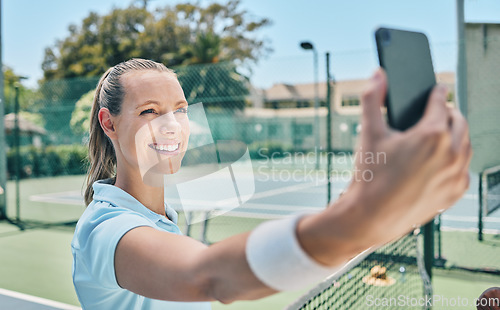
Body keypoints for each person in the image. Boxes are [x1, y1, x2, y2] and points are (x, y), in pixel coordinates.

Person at [71, 58, 471, 309]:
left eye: (179, 110)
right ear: (109, 123)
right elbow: (208, 277)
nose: (171, 125)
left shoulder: (160, 220)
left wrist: (380, 216)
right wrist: (361, 216)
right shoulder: (107, 230)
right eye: (149, 111)